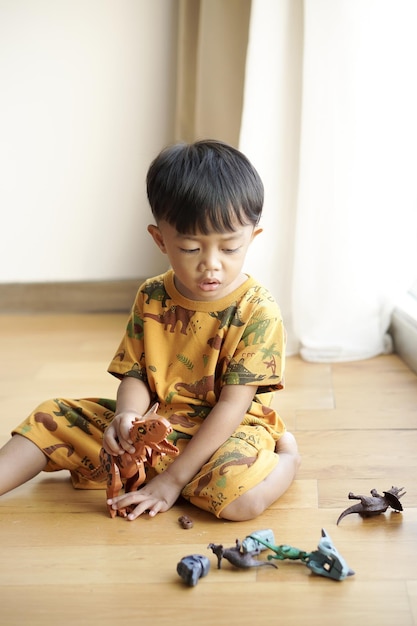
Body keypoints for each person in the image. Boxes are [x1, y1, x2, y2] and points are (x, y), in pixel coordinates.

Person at [0, 139, 300, 521]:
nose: (211, 265)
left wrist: (172, 481)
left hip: (226, 430)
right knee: (52, 417)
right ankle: (144, 470)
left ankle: (287, 459)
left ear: (251, 238)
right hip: (157, 425)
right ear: (160, 239)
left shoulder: (258, 310)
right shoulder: (152, 295)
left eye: (229, 249)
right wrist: (126, 418)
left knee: (238, 499)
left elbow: (232, 406)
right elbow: (137, 373)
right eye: (191, 249)